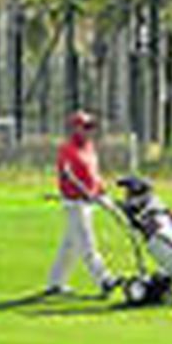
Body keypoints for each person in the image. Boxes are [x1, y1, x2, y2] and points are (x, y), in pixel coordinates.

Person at [45, 109, 120, 297]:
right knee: (87, 244)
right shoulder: (67, 149)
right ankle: (104, 279)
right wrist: (84, 191)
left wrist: (102, 191)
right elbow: (67, 174)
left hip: (90, 201)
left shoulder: (90, 148)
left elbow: (94, 174)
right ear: (75, 128)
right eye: (85, 126)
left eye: (91, 127)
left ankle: (55, 282)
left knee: (69, 245)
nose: (89, 130)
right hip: (75, 202)